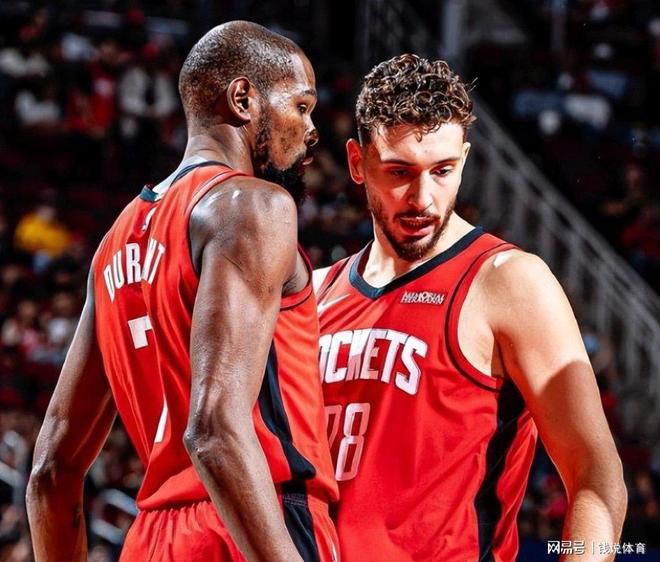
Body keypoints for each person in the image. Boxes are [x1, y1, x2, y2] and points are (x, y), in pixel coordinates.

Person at [26, 21, 339, 562]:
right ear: (243, 99)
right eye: (302, 106)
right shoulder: (254, 205)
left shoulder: (114, 243)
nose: (312, 129)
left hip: (151, 541)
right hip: (255, 521)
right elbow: (215, 430)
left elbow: (51, 469)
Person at [314, 54, 627, 561]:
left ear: (463, 159)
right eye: (399, 172)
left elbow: (596, 474)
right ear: (357, 162)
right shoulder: (316, 294)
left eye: (442, 171)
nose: (422, 198)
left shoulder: (508, 282)